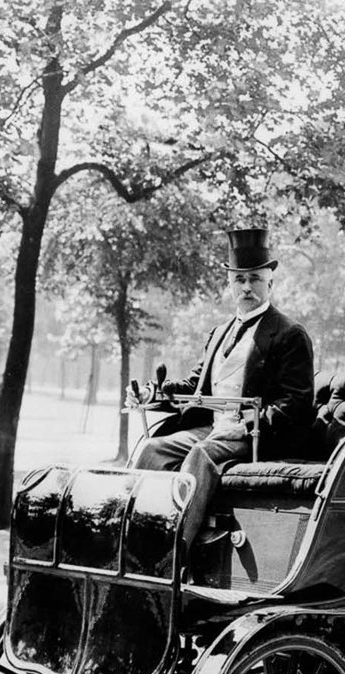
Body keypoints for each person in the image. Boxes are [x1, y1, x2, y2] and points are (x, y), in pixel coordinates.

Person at [126, 227, 314, 553]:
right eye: (239, 280)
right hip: (211, 428)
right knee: (151, 449)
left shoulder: (288, 334)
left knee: (203, 455)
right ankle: (134, 536)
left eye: (254, 278)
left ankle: (173, 551)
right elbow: (195, 386)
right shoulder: (219, 332)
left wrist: (246, 425)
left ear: (270, 281)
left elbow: (296, 402)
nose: (246, 287)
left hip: (256, 439)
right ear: (229, 284)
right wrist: (151, 394)